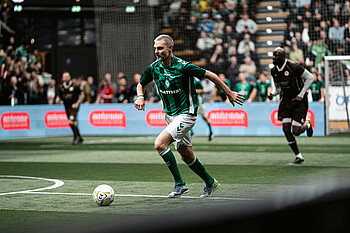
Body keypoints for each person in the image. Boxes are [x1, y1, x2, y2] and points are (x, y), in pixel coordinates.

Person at [134, 34, 244, 198]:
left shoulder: (184, 66)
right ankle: (210, 182)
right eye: (155, 48)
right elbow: (141, 83)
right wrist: (140, 96)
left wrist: (228, 93)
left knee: (160, 144)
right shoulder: (154, 68)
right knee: (186, 155)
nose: (156, 51)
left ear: (170, 48)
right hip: (170, 115)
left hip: (186, 113)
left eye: (160, 48)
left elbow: (211, 75)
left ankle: (180, 184)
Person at [267, 47, 314, 165]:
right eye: (273, 55)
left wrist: (301, 94)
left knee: (296, 131)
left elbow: (310, 78)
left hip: (299, 101)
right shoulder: (274, 71)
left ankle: (307, 125)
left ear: (283, 58)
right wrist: (273, 94)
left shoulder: (293, 67)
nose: (273, 58)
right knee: (286, 129)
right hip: (286, 101)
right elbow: (278, 88)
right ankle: (298, 156)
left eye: (276, 56)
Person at [55, 71, 84, 145]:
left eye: (67, 76)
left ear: (70, 77)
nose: (66, 78)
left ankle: (76, 137)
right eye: (64, 77)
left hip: (74, 106)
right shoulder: (61, 87)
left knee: (70, 121)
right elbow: (59, 96)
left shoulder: (74, 85)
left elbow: (82, 95)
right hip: (67, 107)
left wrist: (77, 103)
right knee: (73, 123)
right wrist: (58, 100)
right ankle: (79, 137)